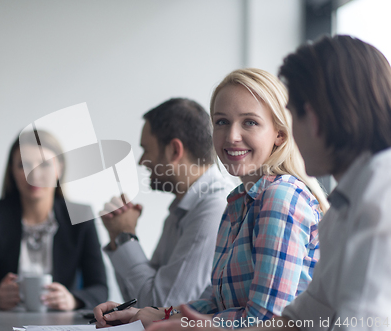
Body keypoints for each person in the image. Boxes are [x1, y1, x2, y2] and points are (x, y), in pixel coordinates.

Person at [146, 35, 391, 331]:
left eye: (295, 114)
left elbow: (351, 324)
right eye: (221, 122)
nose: (293, 132)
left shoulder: (376, 201)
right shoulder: (343, 207)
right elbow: (296, 321)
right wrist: (163, 317)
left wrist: (195, 326)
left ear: (314, 119)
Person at [94, 68, 329, 328]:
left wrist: (179, 323)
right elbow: (215, 304)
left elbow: (265, 321)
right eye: (221, 122)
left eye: (249, 122)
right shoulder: (238, 202)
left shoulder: (280, 197)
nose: (231, 136)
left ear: (280, 134)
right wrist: (148, 313)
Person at [100, 98, 237, 307]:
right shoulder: (181, 210)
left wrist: (125, 236)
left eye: (146, 149)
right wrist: (117, 237)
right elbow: (135, 301)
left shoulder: (214, 209)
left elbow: (162, 308)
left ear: (174, 150)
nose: (141, 160)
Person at [0, 130, 108, 310]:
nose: (34, 175)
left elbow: (100, 289)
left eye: (44, 165)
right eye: (23, 165)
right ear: (11, 171)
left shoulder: (81, 216)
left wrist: (72, 300)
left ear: (59, 168)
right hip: (2, 322)